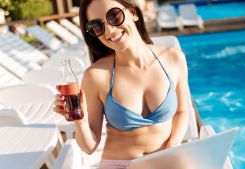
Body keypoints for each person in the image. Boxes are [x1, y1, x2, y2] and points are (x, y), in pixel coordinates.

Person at [53, 0, 190, 168]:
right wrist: (80, 121)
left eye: (114, 15)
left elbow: (183, 111)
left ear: (133, 13)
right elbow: (89, 147)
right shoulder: (96, 76)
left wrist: (173, 144)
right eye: (97, 26)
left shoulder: (173, 58)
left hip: (168, 160)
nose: (110, 30)